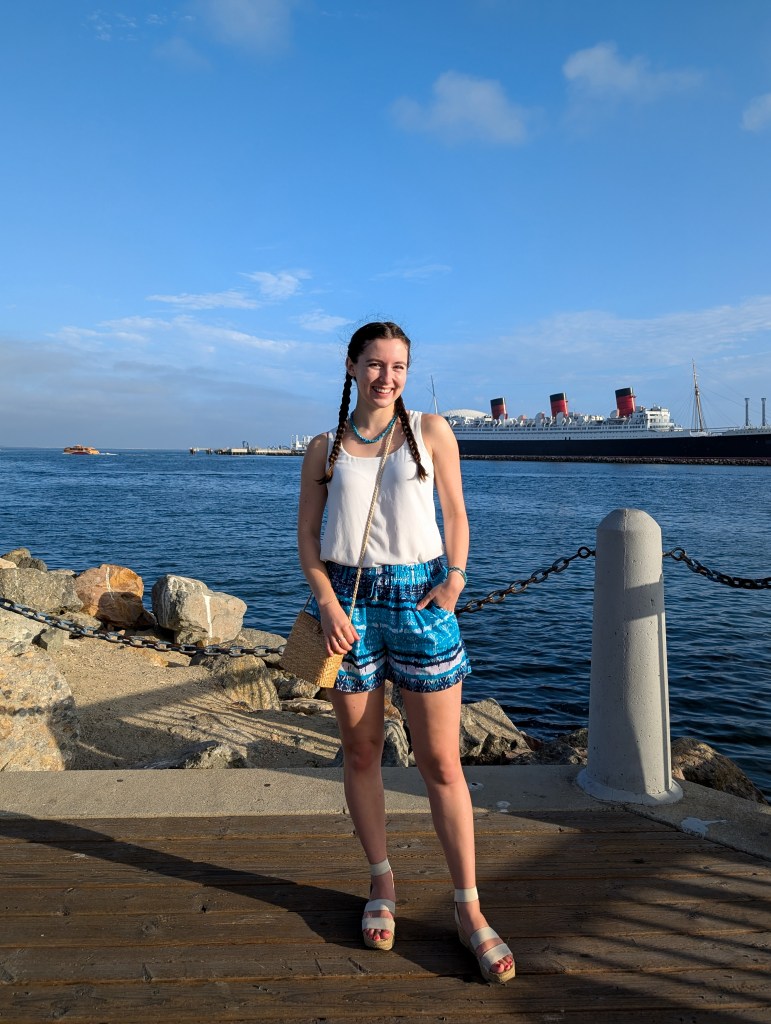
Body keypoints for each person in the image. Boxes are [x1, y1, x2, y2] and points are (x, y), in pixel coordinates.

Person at [296, 321, 515, 984]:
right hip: (345, 604)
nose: (386, 377)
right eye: (374, 364)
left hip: (421, 598)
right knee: (361, 751)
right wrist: (329, 605)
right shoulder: (323, 448)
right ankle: (381, 883)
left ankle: (468, 908)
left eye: (397, 366)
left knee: (441, 762)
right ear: (350, 366)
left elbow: (456, 512)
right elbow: (307, 538)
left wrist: (454, 581)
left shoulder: (431, 431)